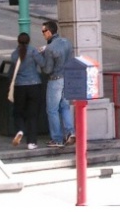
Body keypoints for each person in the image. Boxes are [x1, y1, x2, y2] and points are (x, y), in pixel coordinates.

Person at [40, 20, 76, 148]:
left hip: (55, 80)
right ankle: (70, 132)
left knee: (52, 110)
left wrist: (41, 59)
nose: (43, 34)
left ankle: (57, 139)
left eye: (43, 31)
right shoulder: (66, 42)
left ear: (49, 32)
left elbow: (47, 70)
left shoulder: (50, 49)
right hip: (67, 78)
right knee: (65, 107)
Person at [10, 32, 45, 150]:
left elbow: (11, 72)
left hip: (20, 86)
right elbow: (43, 63)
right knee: (33, 115)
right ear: (29, 41)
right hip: (34, 85)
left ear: (18, 42)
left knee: (18, 112)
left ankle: (20, 130)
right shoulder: (33, 51)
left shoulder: (14, 54)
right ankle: (31, 142)